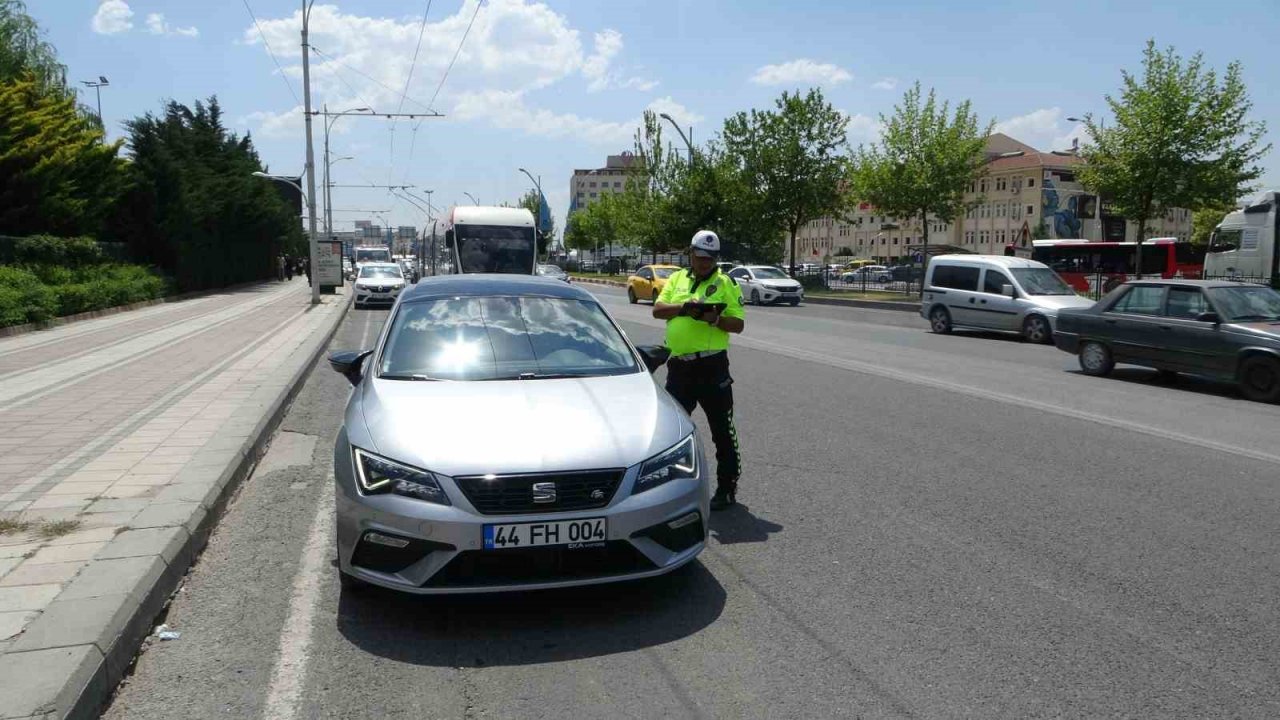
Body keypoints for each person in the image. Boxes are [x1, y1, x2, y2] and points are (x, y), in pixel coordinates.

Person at [653, 230, 746, 510]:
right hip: (680, 368)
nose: (704, 262)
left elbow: (738, 324)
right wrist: (684, 308)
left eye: (710, 258)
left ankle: (727, 488)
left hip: (712, 366)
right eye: (700, 256)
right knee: (672, 432)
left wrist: (716, 319)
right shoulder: (677, 278)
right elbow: (658, 310)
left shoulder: (726, 283)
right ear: (690, 253)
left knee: (722, 430)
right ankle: (669, 489)